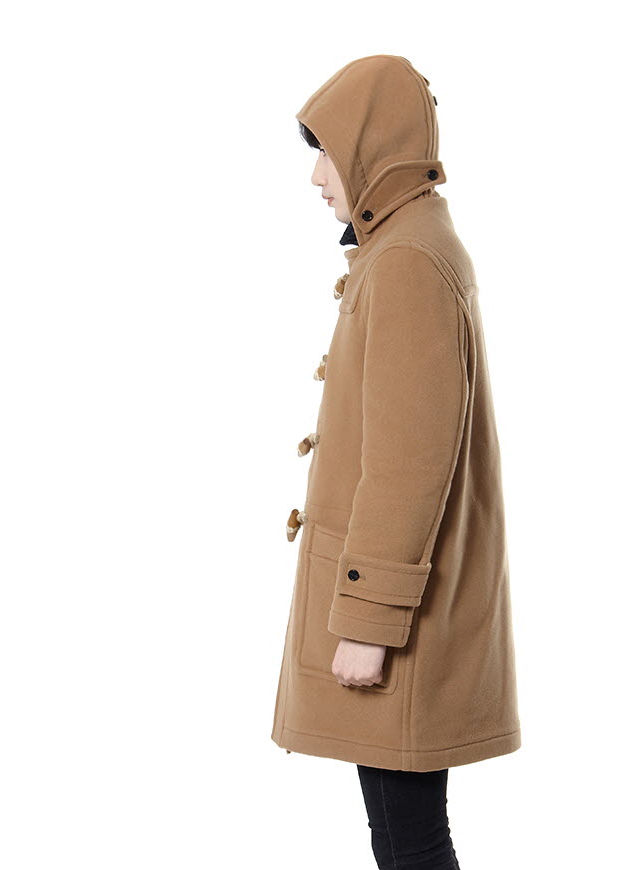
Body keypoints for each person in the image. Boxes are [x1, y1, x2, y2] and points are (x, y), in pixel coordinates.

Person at [271, 55, 521, 870]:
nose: (316, 177)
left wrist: (370, 623)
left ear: (373, 148)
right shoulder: (403, 246)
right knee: (402, 837)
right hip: (396, 607)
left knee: (411, 842)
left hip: (398, 620)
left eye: (327, 152)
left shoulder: (408, 257)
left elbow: (408, 462)